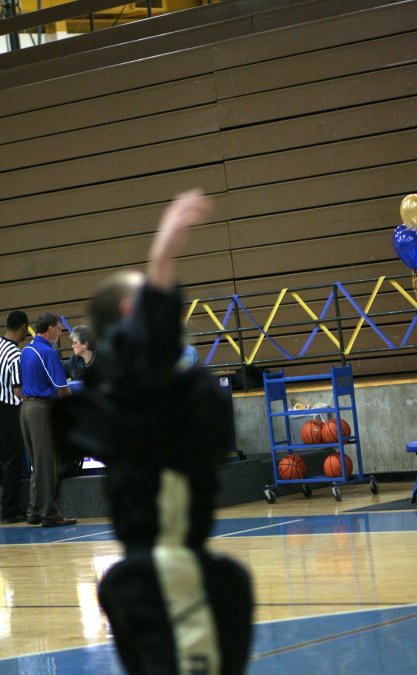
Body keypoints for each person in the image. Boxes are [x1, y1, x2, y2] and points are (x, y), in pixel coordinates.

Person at [53, 190, 253, 674]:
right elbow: (147, 361)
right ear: (129, 318)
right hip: (168, 572)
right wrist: (161, 259)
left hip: (153, 573)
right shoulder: (134, 392)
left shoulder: (120, 400)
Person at [20, 313, 77, 527]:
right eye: (58, 327)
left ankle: (34, 510)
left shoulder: (25, 350)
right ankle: (49, 514)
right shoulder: (48, 352)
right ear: (51, 329)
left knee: (37, 462)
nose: (61, 331)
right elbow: (61, 388)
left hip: (26, 408)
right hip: (42, 410)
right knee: (47, 463)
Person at [0, 310, 29, 524]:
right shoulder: (14, 354)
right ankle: (9, 509)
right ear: (21, 328)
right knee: (12, 459)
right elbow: (18, 390)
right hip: (9, 409)